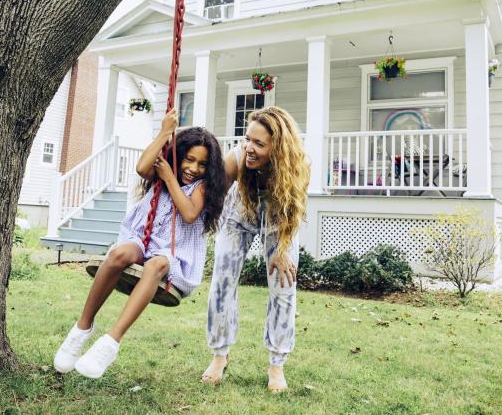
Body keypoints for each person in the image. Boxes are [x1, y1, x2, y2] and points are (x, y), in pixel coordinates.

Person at [53, 109, 226, 379]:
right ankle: (81, 329)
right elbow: (143, 168)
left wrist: (170, 176)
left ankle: (110, 343)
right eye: (189, 159)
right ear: (179, 155)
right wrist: (164, 133)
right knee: (119, 253)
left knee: (156, 264)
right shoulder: (163, 169)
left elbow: (190, 214)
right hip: (143, 239)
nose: (193, 168)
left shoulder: (201, 187)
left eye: (201, 164)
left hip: (175, 253)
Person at [202, 106, 310, 393]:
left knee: (283, 285)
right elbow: (211, 197)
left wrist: (282, 249)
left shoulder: (297, 165)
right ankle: (219, 355)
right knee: (222, 280)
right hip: (240, 213)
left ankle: (276, 364)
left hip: (280, 220)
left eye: (259, 144)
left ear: (278, 147)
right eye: (248, 139)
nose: (249, 148)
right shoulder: (237, 159)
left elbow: (294, 211)